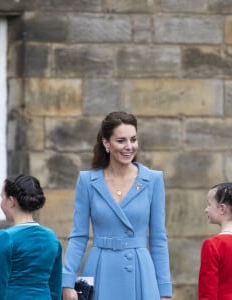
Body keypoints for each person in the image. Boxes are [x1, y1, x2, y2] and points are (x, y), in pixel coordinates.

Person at [62, 111, 172, 300]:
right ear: (106, 143)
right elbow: (79, 236)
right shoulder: (88, 181)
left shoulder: (153, 180)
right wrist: (67, 280)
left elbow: (158, 239)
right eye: (121, 141)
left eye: (133, 140)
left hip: (140, 272)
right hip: (99, 269)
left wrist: (164, 291)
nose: (129, 147)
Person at [0, 174, 62, 300]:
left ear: (11, 201)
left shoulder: (5, 238)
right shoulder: (52, 238)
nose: (1, 203)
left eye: (2, 198)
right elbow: (55, 288)